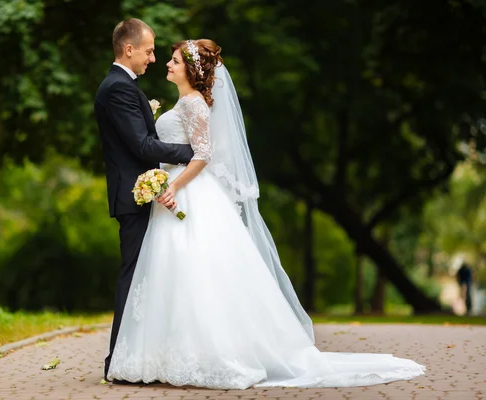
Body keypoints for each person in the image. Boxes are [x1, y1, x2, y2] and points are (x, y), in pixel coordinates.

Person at [106, 38, 426, 389]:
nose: (167, 64)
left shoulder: (194, 104)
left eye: (175, 60)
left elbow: (202, 154)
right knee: (173, 272)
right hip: (175, 196)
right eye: (167, 58)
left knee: (193, 270)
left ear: (192, 70)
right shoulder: (183, 102)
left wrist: (174, 185)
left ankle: (205, 354)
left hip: (186, 194)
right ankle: (165, 355)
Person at [94, 19, 194, 382]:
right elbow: (142, 146)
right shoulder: (117, 89)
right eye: (150, 50)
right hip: (132, 196)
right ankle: (117, 361)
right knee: (133, 277)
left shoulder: (123, 86)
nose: (154, 58)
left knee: (144, 276)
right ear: (129, 48)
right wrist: (193, 152)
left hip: (140, 192)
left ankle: (135, 357)